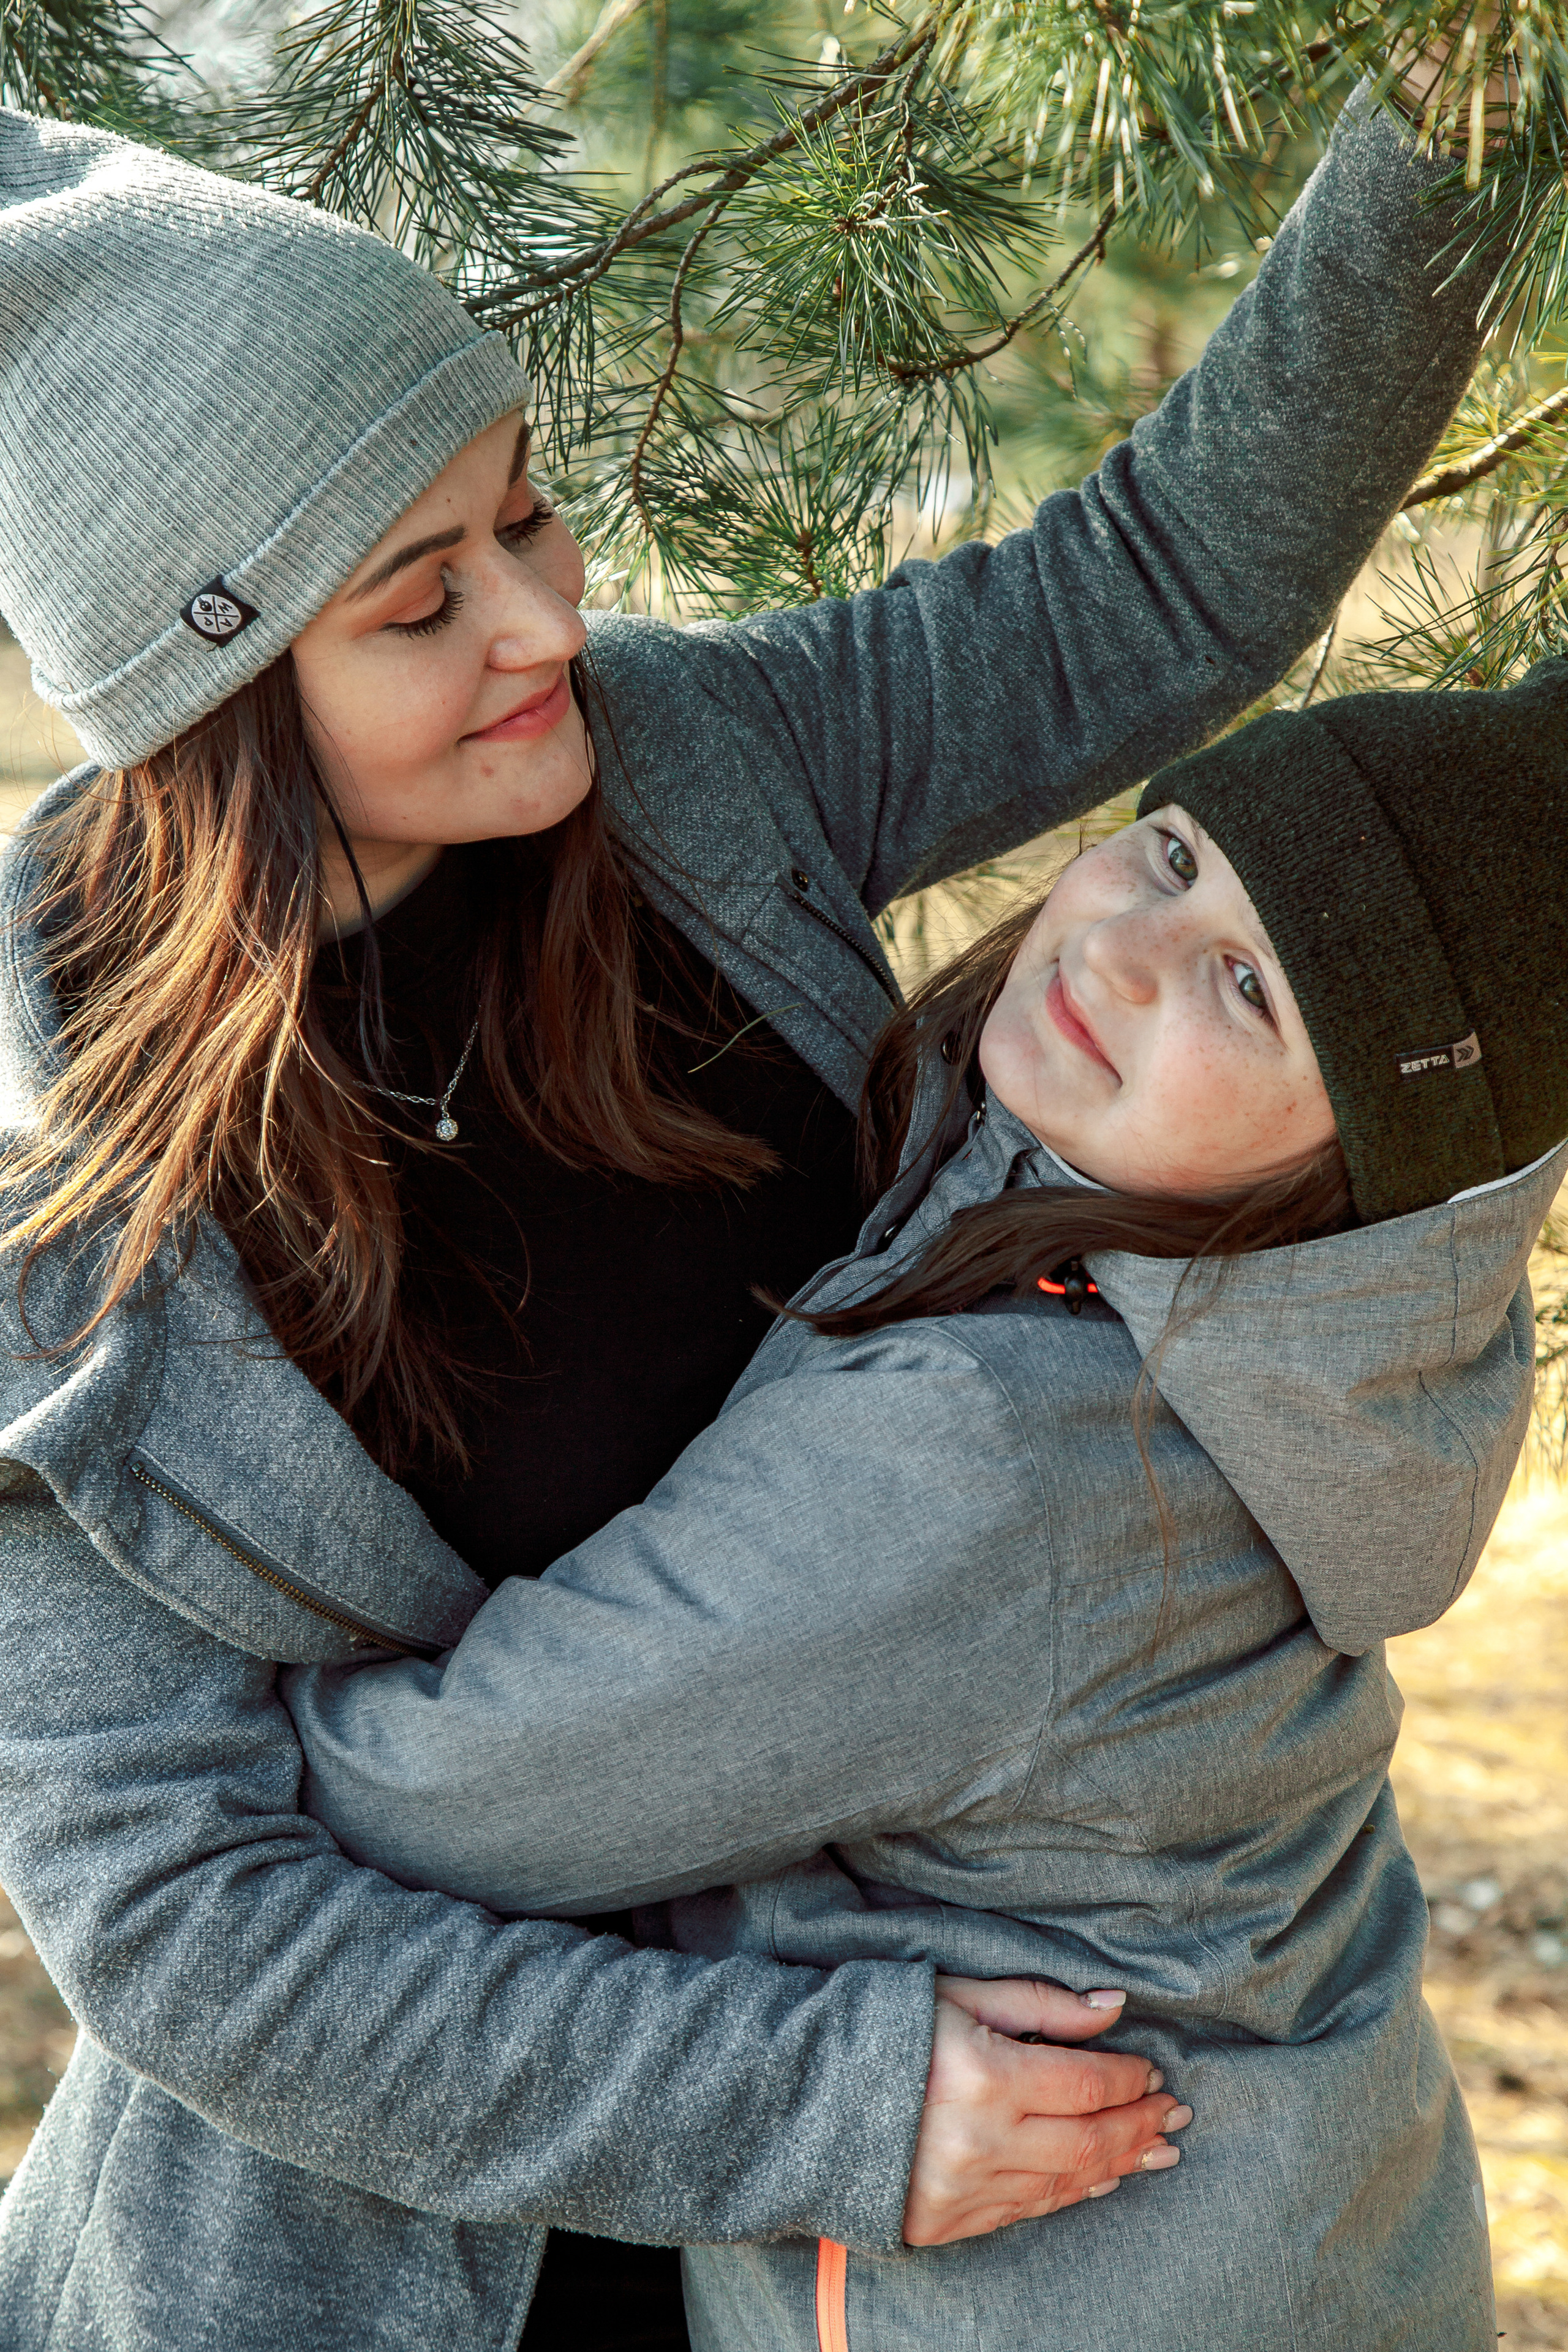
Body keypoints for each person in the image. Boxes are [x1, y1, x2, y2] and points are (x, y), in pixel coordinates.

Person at [0, 36, 1513, 2350]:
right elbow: (189, 1923)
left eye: (527, 513)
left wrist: (1457, 108)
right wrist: (805, 2100)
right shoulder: (68, 1243)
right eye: (418, 604)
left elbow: (1164, 579)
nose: (543, 623)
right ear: (203, 706)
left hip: (889, 2274)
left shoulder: (702, 775)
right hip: (390, 2264)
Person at [289, 667, 1568, 2351]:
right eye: (1173, 857)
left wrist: (110, 1645)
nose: (1120, 948)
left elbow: (441, 1796)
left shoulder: (996, 1462)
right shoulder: (1289, 1360)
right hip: (1320, 2241)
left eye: (1246, 988)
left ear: (1367, 1166)